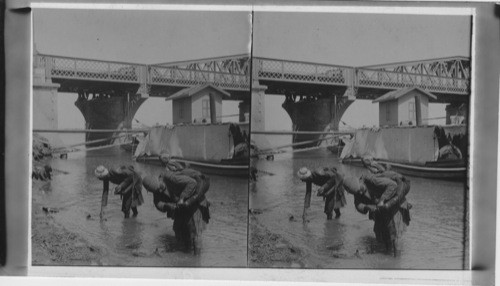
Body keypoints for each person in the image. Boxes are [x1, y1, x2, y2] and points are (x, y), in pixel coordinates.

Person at [143, 163, 210, 254]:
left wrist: (182, 198)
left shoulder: (170, 177)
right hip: (180, 207)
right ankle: (185, 256)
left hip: (195, 201)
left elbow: (192, 183)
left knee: (194, 232)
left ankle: (196, 261)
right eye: (156, 191)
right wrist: (167, 206)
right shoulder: (156, 190)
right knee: (179, 230)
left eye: (160, 188)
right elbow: (158, 203)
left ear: (159, 180)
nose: (160, 191)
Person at [343, 174, 411, 257]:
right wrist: (367, 207)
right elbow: (358, 205)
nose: (360, 192)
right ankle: (387, 255)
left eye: (361, 189)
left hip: (395, 204)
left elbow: (393, 185)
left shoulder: (371, 180)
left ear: (361, 183)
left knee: (396, 234)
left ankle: (396, 261)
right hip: (379, 209)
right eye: (358, 192)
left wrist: (382, 199)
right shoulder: (356, 191)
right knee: (381, 233)